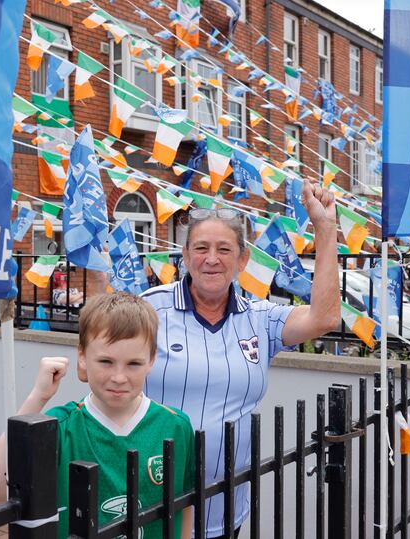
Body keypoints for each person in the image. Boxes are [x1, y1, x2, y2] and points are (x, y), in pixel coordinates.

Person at [138, 180, 340, 538]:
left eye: (224, 249)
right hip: (152, 508)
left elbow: (323, 318)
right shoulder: (150, 308)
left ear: (242, 260)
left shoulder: (260, 318)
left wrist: (325, 229)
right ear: (184, 257)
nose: (211, 259)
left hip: (226, 507)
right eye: (200, 247)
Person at [0, 292, 195, 539]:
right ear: (83, 357)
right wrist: (38, 397)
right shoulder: (60, 426)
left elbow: (185, 506)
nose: (119, 377)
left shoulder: (175, 426)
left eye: (133, 364)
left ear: (151, 361)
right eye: (106, 361)